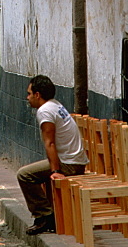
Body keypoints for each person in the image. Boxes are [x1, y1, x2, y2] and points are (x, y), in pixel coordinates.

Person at [16, 74, 88, 235]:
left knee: (24, 175)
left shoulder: (45, 111)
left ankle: (44, 217)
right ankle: (48, 214)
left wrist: (55, 171)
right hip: (75, 160)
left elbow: (50, 143)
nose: (27, 98)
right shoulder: (55, 105)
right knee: (36, 170)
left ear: (37, 95)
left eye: (29, 94)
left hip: (69, 164)